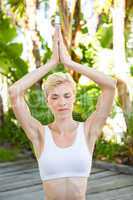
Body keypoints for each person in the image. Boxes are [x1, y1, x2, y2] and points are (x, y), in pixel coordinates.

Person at [8, 23, 117, 200]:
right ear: (47, 101)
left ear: (74, 97)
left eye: (67, 95)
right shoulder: (39, 133)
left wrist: (70, 63)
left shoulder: (89, 130)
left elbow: (110, 86)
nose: (62, 102)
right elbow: (14, 92)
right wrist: (51, 63)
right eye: (55, 97)